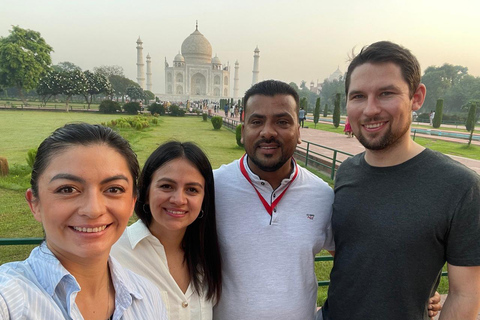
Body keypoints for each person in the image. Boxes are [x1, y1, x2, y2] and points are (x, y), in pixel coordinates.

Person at [321, 41, 480, 319]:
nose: (370, 109)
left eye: (386, 93)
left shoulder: (460, 187)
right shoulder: (347, 171)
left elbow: (467, 295)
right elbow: (358, 252)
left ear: (416, 97)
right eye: (358, 96)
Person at [0, 123, 167, 319]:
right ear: (34, 203)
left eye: (113, 189)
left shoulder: (148, 298)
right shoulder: (8, 300)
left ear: (132, 203)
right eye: (67, 189)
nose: (93, 210)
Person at [213, 80, 335, 319]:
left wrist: (423, 293)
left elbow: (357, 261)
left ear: (299, 131)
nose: (267, 132)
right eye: (256, 122)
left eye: (282, 122)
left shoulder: (322, 195)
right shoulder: (212, 187)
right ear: (243, 128)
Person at [111, 141, 222, 320]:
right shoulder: (114, 253)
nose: (179, 199)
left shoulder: (207, 256)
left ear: (204, 199)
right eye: (166, 186)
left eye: (192, 190)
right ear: (145, 192)